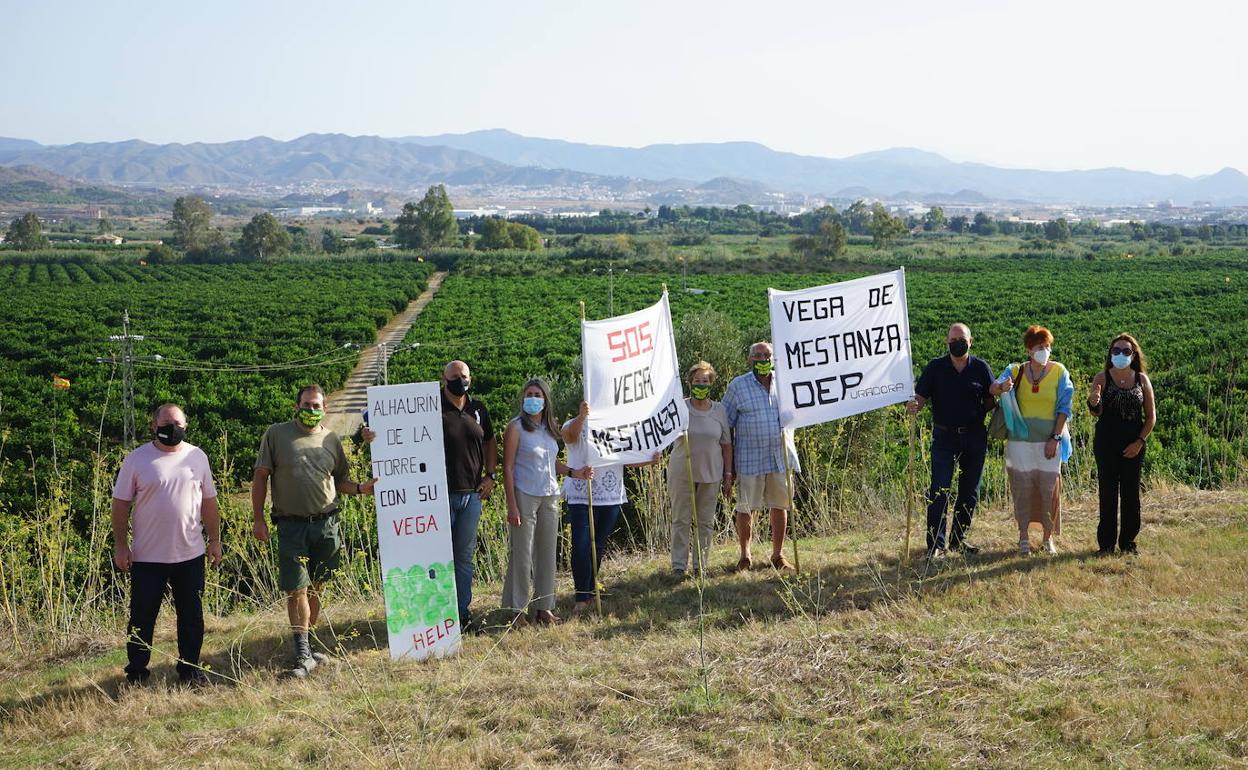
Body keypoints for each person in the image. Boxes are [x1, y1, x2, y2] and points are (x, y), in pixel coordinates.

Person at [252, 384, 377, 677]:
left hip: (326, 525)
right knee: (297, 589)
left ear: (325, 409)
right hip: (291, 525)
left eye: (316, 406)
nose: (311, 410)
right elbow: (260, 477)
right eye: (306, 405)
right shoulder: (276, 434)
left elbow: (341, 480)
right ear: (296, 407)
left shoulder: (331, 440)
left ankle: (309, 644)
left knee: (318, 586)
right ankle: (302, 654)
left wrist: (360, 488)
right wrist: (258, 519)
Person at [112, 403, 221, 686]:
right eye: (166, 423)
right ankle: (136, 673)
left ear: (186, 426)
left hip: (190, 554)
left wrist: (215, 540)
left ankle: (189, 670)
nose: (172, 429)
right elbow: (120, 504)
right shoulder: (136, 459)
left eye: (178, 424)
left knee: (191, 618)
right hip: (148, 557)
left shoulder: (197, 457)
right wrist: (121, 545)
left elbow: (209, 502)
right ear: (153, 426)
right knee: (141, 618)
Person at [501, 378, 587, 625]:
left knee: (547, 553)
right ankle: (516, 610)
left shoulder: (550, 429)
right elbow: (507, 468)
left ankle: (544, 607)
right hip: (524, 495)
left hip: (550, 495)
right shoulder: (515, 427)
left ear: (545, 399)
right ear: (523, 398)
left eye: (537, 394)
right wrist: (511, 505)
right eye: (529, 394)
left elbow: (551, 463)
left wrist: (573, 472)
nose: (533, 398)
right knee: (522, 554)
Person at [562, 401, 658, 615]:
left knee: (598, 544)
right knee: (581, 544)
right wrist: (581, 417)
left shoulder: (617, 427)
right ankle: (581, 596)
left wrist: (649, 460)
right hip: (581, 494)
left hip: (610, 495)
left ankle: (590, 589)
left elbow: (625, 458)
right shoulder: (573, 423)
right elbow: (569, 437)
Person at [907, 323, 995, 558]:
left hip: (975, 436)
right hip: (944, 436)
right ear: (946, 342)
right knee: (939, 490)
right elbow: (921, 396)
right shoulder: (936, 367)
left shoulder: (981, 368)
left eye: (962, 339)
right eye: (953, 339)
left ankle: (958, 540)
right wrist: (914, 405)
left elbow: (991, 399)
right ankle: (936, 544)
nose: (958, 343)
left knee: (970, 491)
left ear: (970, 341)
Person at [993, 326, 1074, 556]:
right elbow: (993, 387)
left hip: (1049, 442)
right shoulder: (1015, 370)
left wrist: (1055, 438)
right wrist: (1001, 387)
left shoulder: (1060, 372)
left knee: (1049, 489)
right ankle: (1023, 538)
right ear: (1029, 350)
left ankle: (1047, 538)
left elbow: (1064, 407)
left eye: (1047, 346)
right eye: (1040, 347)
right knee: (1022, 489)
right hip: (1019, 444)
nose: (1045, 351)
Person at [721, 341, 799, 572]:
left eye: (767, 355)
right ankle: (745, 556)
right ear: (749, 359)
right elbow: (726, 425)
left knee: (780, 505)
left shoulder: (785, 383)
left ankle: (778, 555)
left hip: (780, 456)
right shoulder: (738, 386)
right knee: (746, 508)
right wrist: (728, 466)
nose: (762, 359)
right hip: (749, 458)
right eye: (757, 355)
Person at [439, 360, 496, 632]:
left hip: (471, 497)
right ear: (443, 378)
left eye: (463, 376)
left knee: (463, 559)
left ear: (470, 379)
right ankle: (439, 614)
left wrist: (491, 475)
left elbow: (490, 441)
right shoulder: (431, 407)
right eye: (454, 376)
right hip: (438, 497)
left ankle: (461, 614)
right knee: (439, 557)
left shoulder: (478, 409)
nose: (459, 380)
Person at [1088, 333, 1156, 555]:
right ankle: (1106, 546)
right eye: (1116, 351)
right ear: (1110, 354)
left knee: (1131, 495)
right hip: (1106, 444)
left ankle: (1128, 543)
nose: (1120, 354)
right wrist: (1093, 402)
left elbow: (1151, 417)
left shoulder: (1142, 380)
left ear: (1134, 354)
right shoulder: (1102, 377)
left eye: (1126, 351)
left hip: (1133, 446)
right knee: (1107, 494)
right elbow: (1095, 412)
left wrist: (1139, 442)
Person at [668, 361, 733, 577]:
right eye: (697, 381)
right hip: (682, 472)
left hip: (711, 473)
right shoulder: (679, 406)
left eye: (705, 381)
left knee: (705, 522)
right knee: (681, 520)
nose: (701, 385)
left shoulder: (720, 410)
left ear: (711, 383)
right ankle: (679, 565)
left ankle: (700, 565)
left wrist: (728, 475)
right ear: (690, 383)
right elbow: (664, 433)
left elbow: (726, 444)